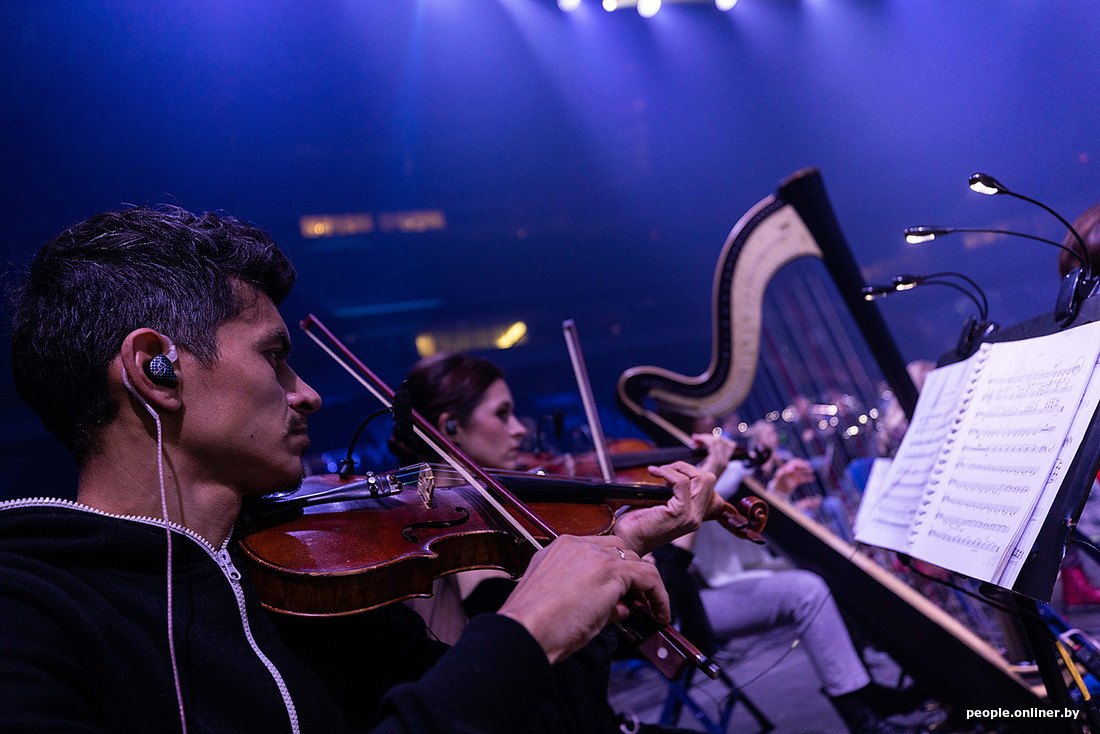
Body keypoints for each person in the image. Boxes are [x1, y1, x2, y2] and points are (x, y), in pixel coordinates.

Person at [0, 205, 720, 733]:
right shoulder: (27, 614)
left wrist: (591, 579)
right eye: (274, 357)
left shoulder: (302, 588)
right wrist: (524, 630)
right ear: (156, 369)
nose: (308, 393)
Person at [388, 351, 732, 734]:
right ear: (450, 426)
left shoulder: (501, 513)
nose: (518, 429)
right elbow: (597, 649)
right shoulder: (457, 543)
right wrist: (649, 538)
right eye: (502, 414)